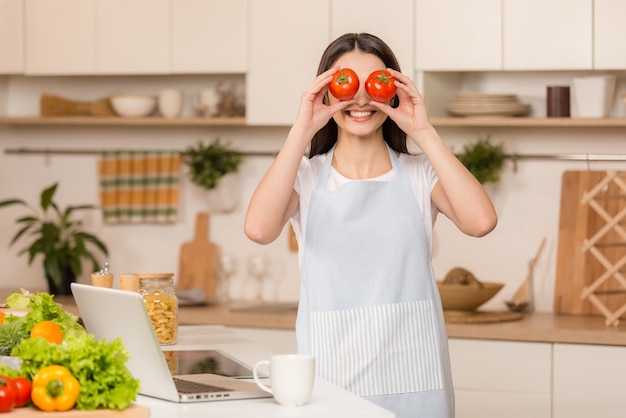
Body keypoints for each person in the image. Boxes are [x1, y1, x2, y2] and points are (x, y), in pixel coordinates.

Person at [244, 33, 497, 418]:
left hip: (415, 384)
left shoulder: (419, 175)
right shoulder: (307, 178)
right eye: (345, 84)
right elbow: (259, 230)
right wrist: (302, 129)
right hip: (331, 385)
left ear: (393, 93)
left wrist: (423, 131)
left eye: (374, 86)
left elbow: (480, 222)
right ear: (325, 92)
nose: (361, 99)